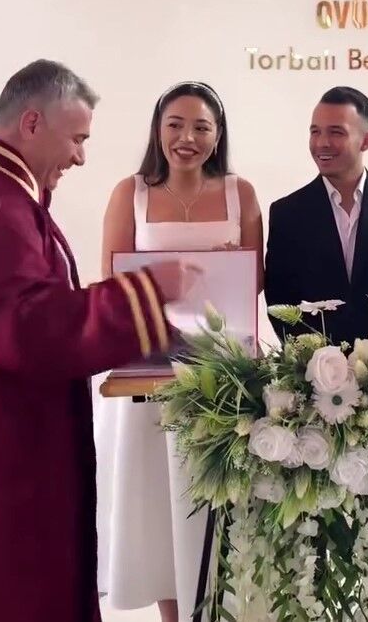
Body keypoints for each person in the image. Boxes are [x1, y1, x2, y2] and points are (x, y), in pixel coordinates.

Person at [0, 60, 194, 622]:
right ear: (32, 123)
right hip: (8, 457)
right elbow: (25, 331)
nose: (80, 157)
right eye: (77, 139)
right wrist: (144, 294)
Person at [95, 81, 263, 622]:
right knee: (155, 500)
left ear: (217, 135)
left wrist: (223, 267)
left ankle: (218, 606)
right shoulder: (131, 193)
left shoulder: (241, 193)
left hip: (224, 362)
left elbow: (256, 279)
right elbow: (111, 279)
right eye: (175, 125)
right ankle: (172, 614)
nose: (187, 138)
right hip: (149, 362)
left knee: (218, 493)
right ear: (158, 130)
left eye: (201, 127)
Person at [264, 86, 368, 344]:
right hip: (312, 363)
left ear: (366, 141)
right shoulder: (287, 213)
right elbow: (280, 299)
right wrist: (313, 355)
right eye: (315, 132)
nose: (322, 143)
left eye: (336, 132)